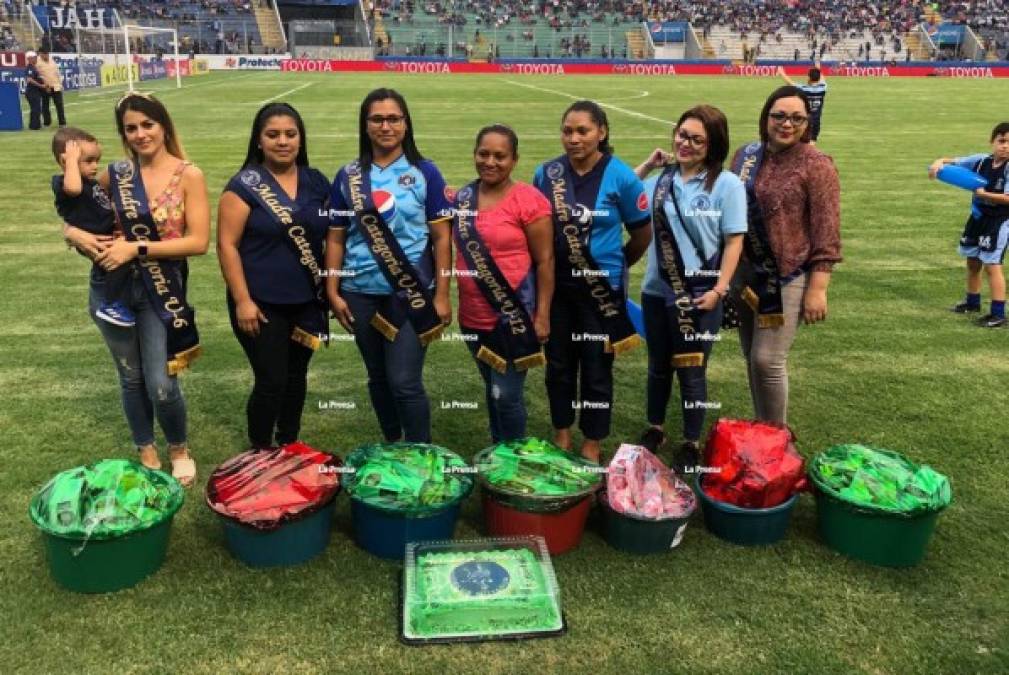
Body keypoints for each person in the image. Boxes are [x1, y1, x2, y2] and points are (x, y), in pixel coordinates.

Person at [62, 93, 210, 486]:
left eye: (148, 125)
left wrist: (136, 247)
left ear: (164, 126)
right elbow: (80, 214)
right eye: (131, 128)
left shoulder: (188, 174)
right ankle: (145, 447)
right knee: (130, 377)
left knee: (162, 383)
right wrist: (71, 232)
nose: (140, 134)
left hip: (161, 293)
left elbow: (198, 242)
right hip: (112, 292)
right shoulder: (116, 174)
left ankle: (178, 446)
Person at [326, 88, 453, 444]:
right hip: (359, 293)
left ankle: (419, 449)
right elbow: (336, 238)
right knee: (378, 377)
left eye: (393, 118)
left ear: (406, 123)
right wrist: (332, 290)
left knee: (404, 380)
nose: (386, 126)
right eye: (377, 119)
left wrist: (442, 295)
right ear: (365, 126)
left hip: (411, 294)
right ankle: (393, 443)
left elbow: (442, 239)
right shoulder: (347, 175)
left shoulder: (426, 171)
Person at [533, 100, 651, 462]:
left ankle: (593, 441)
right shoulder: (546, 173)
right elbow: (537, 231)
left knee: (597, 368)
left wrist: (612, 269)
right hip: (557, 290)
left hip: (601, 295)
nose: (574, 138)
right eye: (567, 130)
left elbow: (642, 234)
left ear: (601, 132)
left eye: (582, 130)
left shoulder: (622, 177)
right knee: (559, 365)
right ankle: (562, 432)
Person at [633, 105, 747, 472]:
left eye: (697, 139)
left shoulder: (726, 184)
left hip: (701, 294)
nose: (686, 143)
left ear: (713, 145)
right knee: (658, 366)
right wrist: (649, 165)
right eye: (682, 135)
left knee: (692, 370)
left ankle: (691, 440)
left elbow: (734, 242)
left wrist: (720, 289)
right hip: (655, 291)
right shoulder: (659, 181)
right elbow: (620, 195)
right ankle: (655, 427)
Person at [217, 103, 331, 448]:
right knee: (271, 380)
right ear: (258, 141)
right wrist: (242, 301)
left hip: (308, 302)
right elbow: (226, 245)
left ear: (300, 139)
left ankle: (289, 443)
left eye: (290, 134)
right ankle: (260, 450)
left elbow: (334, 235)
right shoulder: (243, 187)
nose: (282, 141)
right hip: (260, 304)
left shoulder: (316, 181)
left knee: (296, 378)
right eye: (273, 134)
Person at [729, 86, 841, 425]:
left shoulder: (817, 165)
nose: (787, 124)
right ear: (766, 118)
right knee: (751, 356)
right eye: (779, 115)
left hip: (788, 275)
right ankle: (761, 428)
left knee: (768, 359)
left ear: (807, 124)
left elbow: (827, 229)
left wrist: (818, 288)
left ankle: (776, 438)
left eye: (797, 118)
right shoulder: (745, 156)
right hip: (744, 272)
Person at [452, 124, 554, 442]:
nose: (490, 162)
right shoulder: (463, 198)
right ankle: (500, 449)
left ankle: (511, 456)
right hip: (472, 318)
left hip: (514, 319)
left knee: (507, 394)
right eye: (484, 154)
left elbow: (545, 260)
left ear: (514, 159)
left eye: (500, 156)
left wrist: (542, 315)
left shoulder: (529, 200)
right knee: (493, 388)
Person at [52, 127, 134, 327]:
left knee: (121, 263)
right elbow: (73, 189)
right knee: (118, 263)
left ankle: (115, 301)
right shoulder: (64, 182)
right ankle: (111, 304)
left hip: (104, 233)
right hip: (93, 238)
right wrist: (71, 161)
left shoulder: (90, 182)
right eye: (88, 161)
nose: (95, 166)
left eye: (97, 160)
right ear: (65, 161)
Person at [929, 122, 1009, 327]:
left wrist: (984, 194)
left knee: (992, 265)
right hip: (978, 217)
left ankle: (998, 313)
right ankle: (972, 302)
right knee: (972, 261)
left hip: (998, 221)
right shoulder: (981, 161)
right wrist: (939, 163)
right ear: (992, 142)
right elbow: (953, 162)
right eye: (1002, 141)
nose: (1005, 146)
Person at [778, 61, 827, 143]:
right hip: (816, 120)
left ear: (809, 78)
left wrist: (781, 73)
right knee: (812, 141)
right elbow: (822, 79)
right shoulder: (823, 88)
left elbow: (790, 83)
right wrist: (818, 69)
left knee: (801, 141)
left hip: (805, 119)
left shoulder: (804, 89)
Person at [36, 48, 67, 127]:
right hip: (46, 87)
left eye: (47, 54)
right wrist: (45, 86)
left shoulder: (52, 60)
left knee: (59, 105)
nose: (46, 56)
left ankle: (62, 123)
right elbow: (39, 76)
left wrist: (60, 84)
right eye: (44, 54)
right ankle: (47, 123)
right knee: (45, 106)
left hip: (56, 86)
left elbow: (57, 73)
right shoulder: (37, 63)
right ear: (40, 54)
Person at [23, 51, 47, 130]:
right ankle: (34, 126)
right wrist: (41, 85)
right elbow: (29, 79)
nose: (36, 59)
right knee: (35, 108)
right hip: (32, 91)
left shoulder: (34, 67)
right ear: (29, 59)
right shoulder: (30, 68)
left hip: (35, 91)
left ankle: (35, 125)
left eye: (36, 57)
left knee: (36, 108)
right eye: (34, 57)